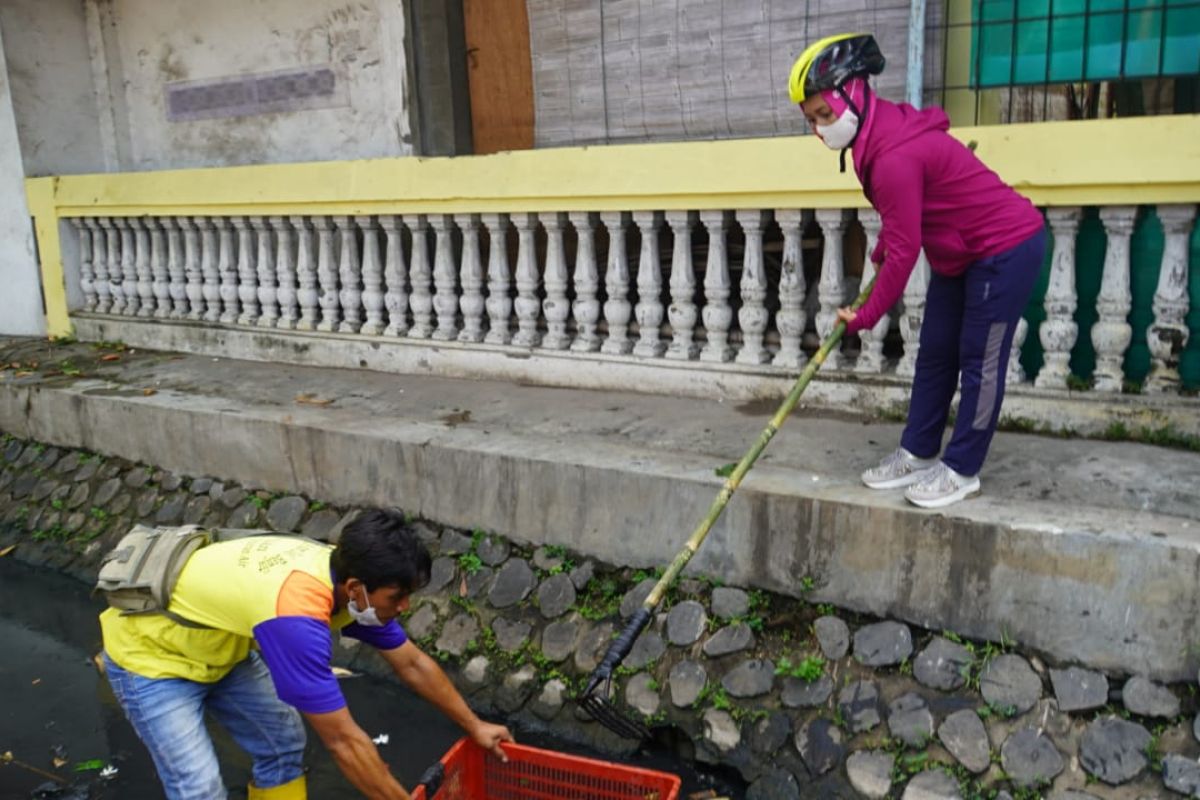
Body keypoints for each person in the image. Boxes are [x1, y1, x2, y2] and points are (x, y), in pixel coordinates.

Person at [787, 33, 1047, 508]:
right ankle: (919, 452)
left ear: (856, 93)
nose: (820, 130)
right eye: (811, 121)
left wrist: (863, 319)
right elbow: (911, 211)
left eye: (824, 116)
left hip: (1005, 248)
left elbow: (906, 252)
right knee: (935, 353)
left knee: (979, 361)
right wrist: (889, 238)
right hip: (958, 250)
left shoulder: (891, 155)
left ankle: (963, 468)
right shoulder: (877, 135)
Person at [98, 508, 513, 799]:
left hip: (219, 652)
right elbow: (345, 743)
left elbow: (412, 662)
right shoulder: (296, 618)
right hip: (150, 661)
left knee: (282, 745)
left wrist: (474, 725)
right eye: (398, 596)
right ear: (355, 588)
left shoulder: (345, 581)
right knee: (199, 787)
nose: (404, 607)